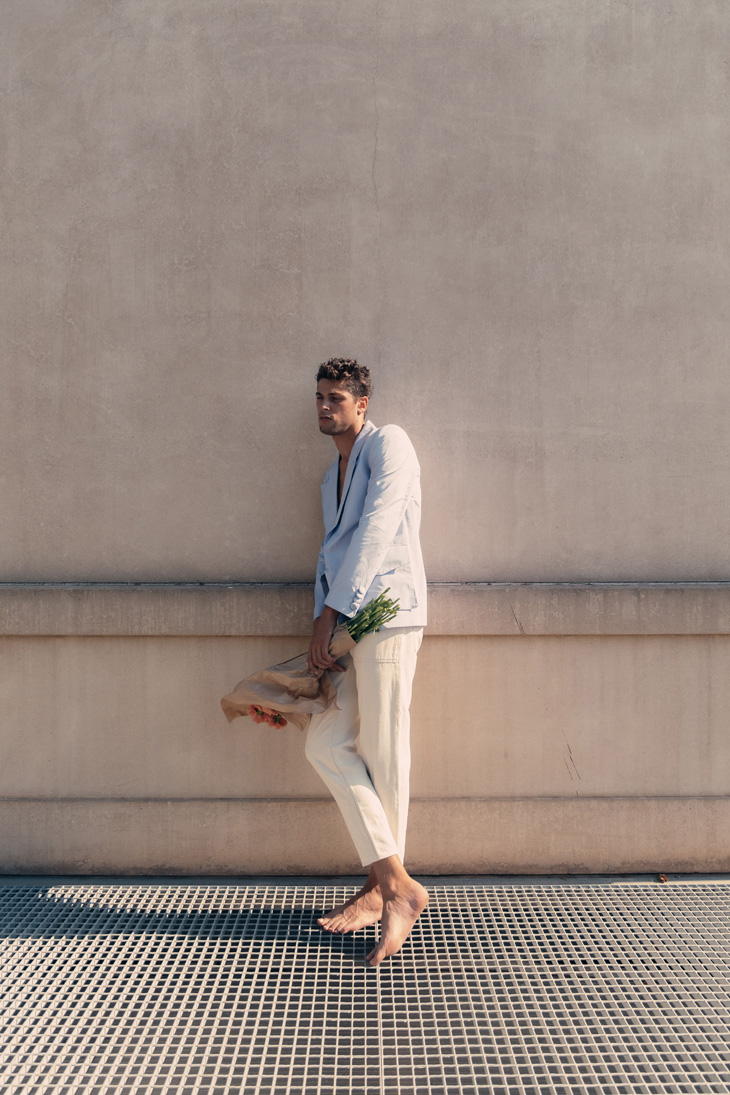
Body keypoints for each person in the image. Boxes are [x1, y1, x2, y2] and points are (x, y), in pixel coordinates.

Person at [305, 357, 429, 966]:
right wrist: (320, 626)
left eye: (337, 397)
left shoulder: (389, 444)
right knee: (324, 744)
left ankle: (382, 893)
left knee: (385, 749)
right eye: (320, 397)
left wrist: (331, 614)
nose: (325, 406)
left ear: (362, 404)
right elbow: (330, 553)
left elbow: (378, 529)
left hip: (389, 611)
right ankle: (395, 883)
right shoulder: (329, 477)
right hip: (347, 626)